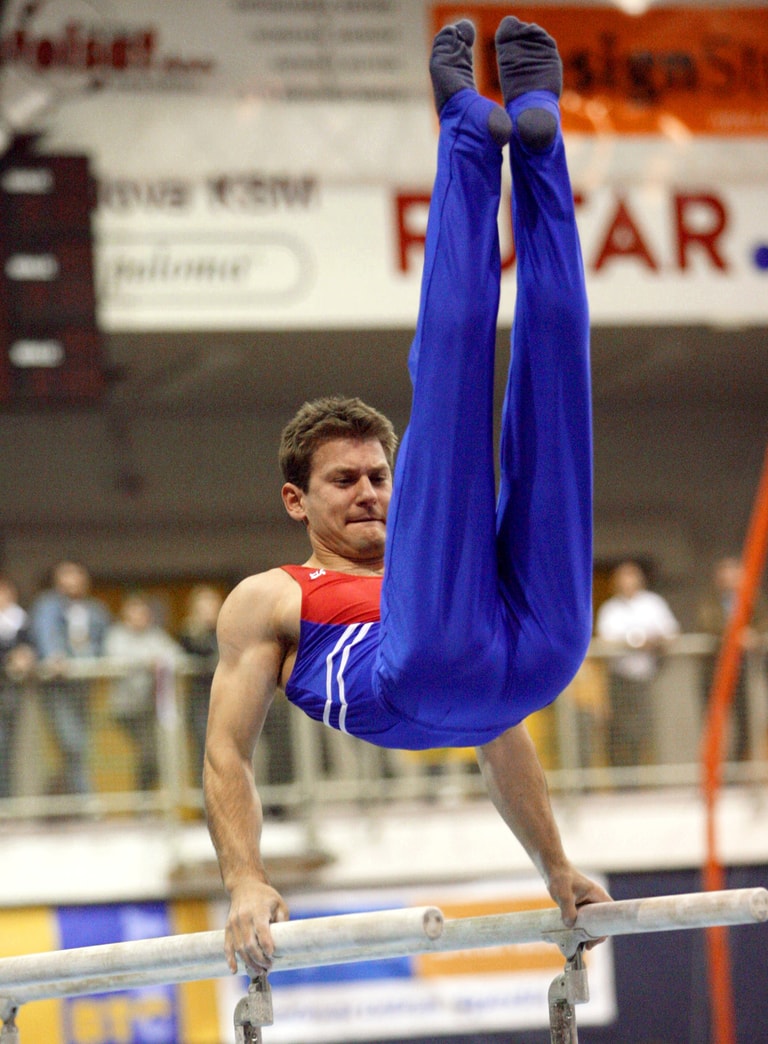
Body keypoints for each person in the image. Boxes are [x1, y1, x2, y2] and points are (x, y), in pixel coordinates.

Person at [204, 15, 611, 976]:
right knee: (465, 386)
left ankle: (525, 137)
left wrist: (555, 866)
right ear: (295, 502)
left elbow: (500, 739)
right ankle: (477, 141)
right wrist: (244, 878)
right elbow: (227, 753)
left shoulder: (431, 558)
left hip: (523, 660)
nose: (370, 494)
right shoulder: (274, 597)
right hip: (440, 664)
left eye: (379, 475)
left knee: (551, 385)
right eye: (342, 480)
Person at [29, 560, 111, 794]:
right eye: (65, 575)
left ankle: (74, 798)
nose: (71, 580)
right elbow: (46, 635)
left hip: (85, 686)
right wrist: (54, 657)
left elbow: (104, 642)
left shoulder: (96, 610)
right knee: (72, 743)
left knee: (80, 744)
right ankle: (86, 799)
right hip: (58, 687)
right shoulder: (47, 606)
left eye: (76, 574)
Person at [595, 560, 679, 767]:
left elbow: (672, 634)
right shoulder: (610, 608)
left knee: (646, 730)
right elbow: (604, 640)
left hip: (649, 678)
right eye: (623, 577)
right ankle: (625, 778)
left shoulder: (653, 603)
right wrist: (631, 643)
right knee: (620, 731)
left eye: (631, 576)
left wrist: (652, 642)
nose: (627, 581)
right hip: (620, 678)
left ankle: (649, 776)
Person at [696, 555, 768, 761]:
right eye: (725, 574)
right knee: (716, 722)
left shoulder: (751, 597)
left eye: (734, 574)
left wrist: (753, 634)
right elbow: (708, 624)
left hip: (743, 671)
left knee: (746, 720)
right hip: (715, 671)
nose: (730, 579)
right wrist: (735, 636)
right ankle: (717, 768)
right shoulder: (709, 600)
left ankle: (742, 765)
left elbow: (765, 620)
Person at [105, 592, 183, 791]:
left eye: (143, 613)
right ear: (126, 615)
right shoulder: (116, 635)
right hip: (127, 709)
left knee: (153, 755)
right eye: (135, 613)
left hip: (151, 707)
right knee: (148, 753)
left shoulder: (155, 635)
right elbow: (116, 659)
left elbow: (176, 656)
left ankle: (145, 802)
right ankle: (144, 802)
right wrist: (147, 662)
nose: (140, 617)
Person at [177, 585, 223, 782]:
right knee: (204, 753)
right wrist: (204, 628)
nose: (208, 610)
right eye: (203, 606)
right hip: (201, 704)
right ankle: (206, 804)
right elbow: (198, 650)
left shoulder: (227, 630)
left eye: (212, 605)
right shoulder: (188, 634)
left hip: (227, 700)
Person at [0, 575, 36, 798]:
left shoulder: (22, 621)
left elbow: (33, 646)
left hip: (14, 696)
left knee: (9, 750)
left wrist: (27, 656)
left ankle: (7, 802)